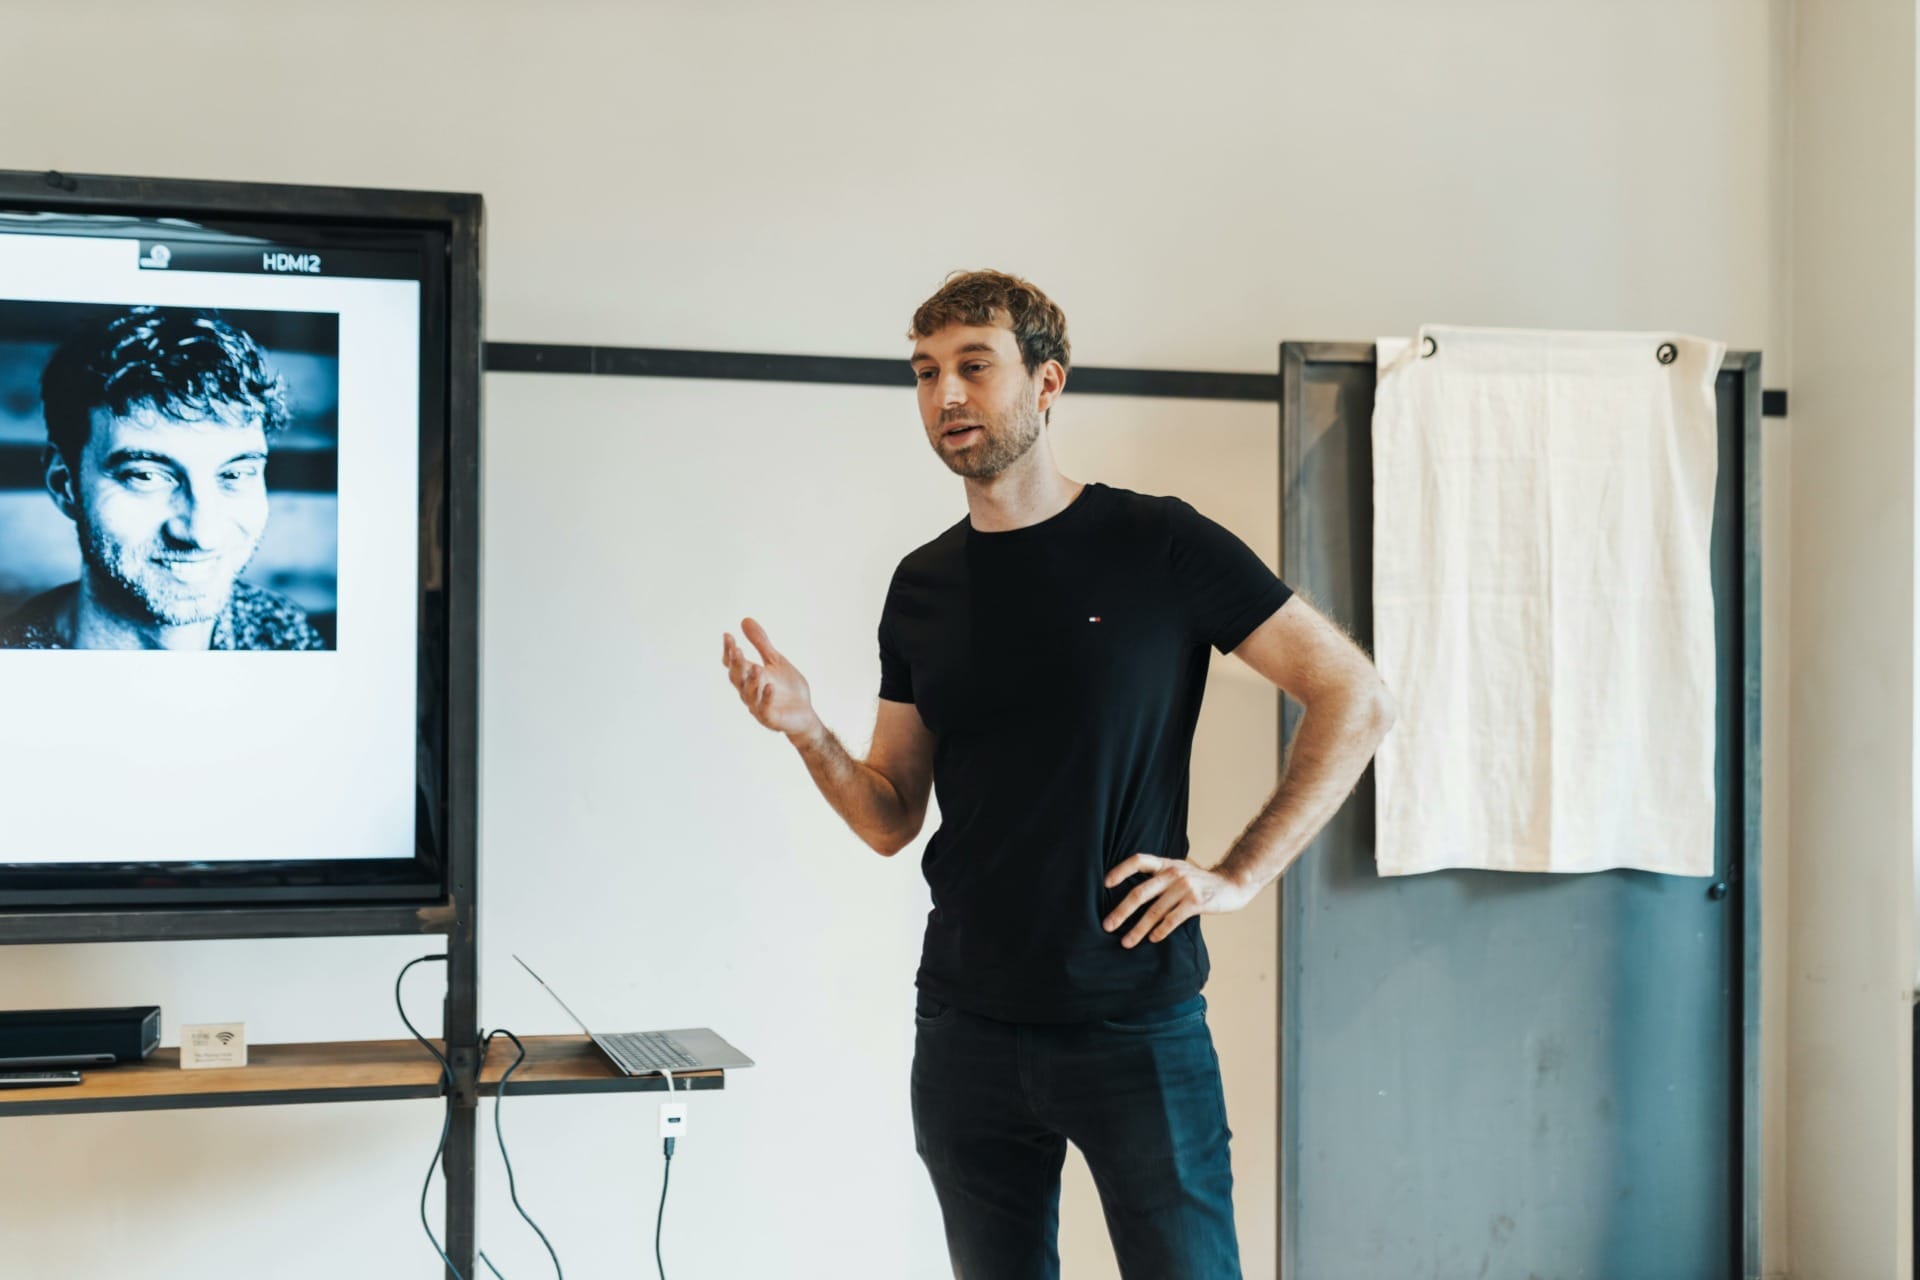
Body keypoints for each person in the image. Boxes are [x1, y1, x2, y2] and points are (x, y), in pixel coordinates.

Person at [722, 270, 1396, 1278]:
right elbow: (891, 813)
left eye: (973, 365)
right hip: (966, 1027)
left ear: (1047, 383)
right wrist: (806, 727)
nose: (945, 394)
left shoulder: (1157, 543)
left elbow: (1354, 694)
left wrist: (1237, 872)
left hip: (1135, 1021)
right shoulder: (923, 586)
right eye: (925, 372)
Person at [0, 305, 324, 650]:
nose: (202, 533)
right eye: (146, 476)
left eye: (235, 473)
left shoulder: (284, 633)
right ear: (64, 484)